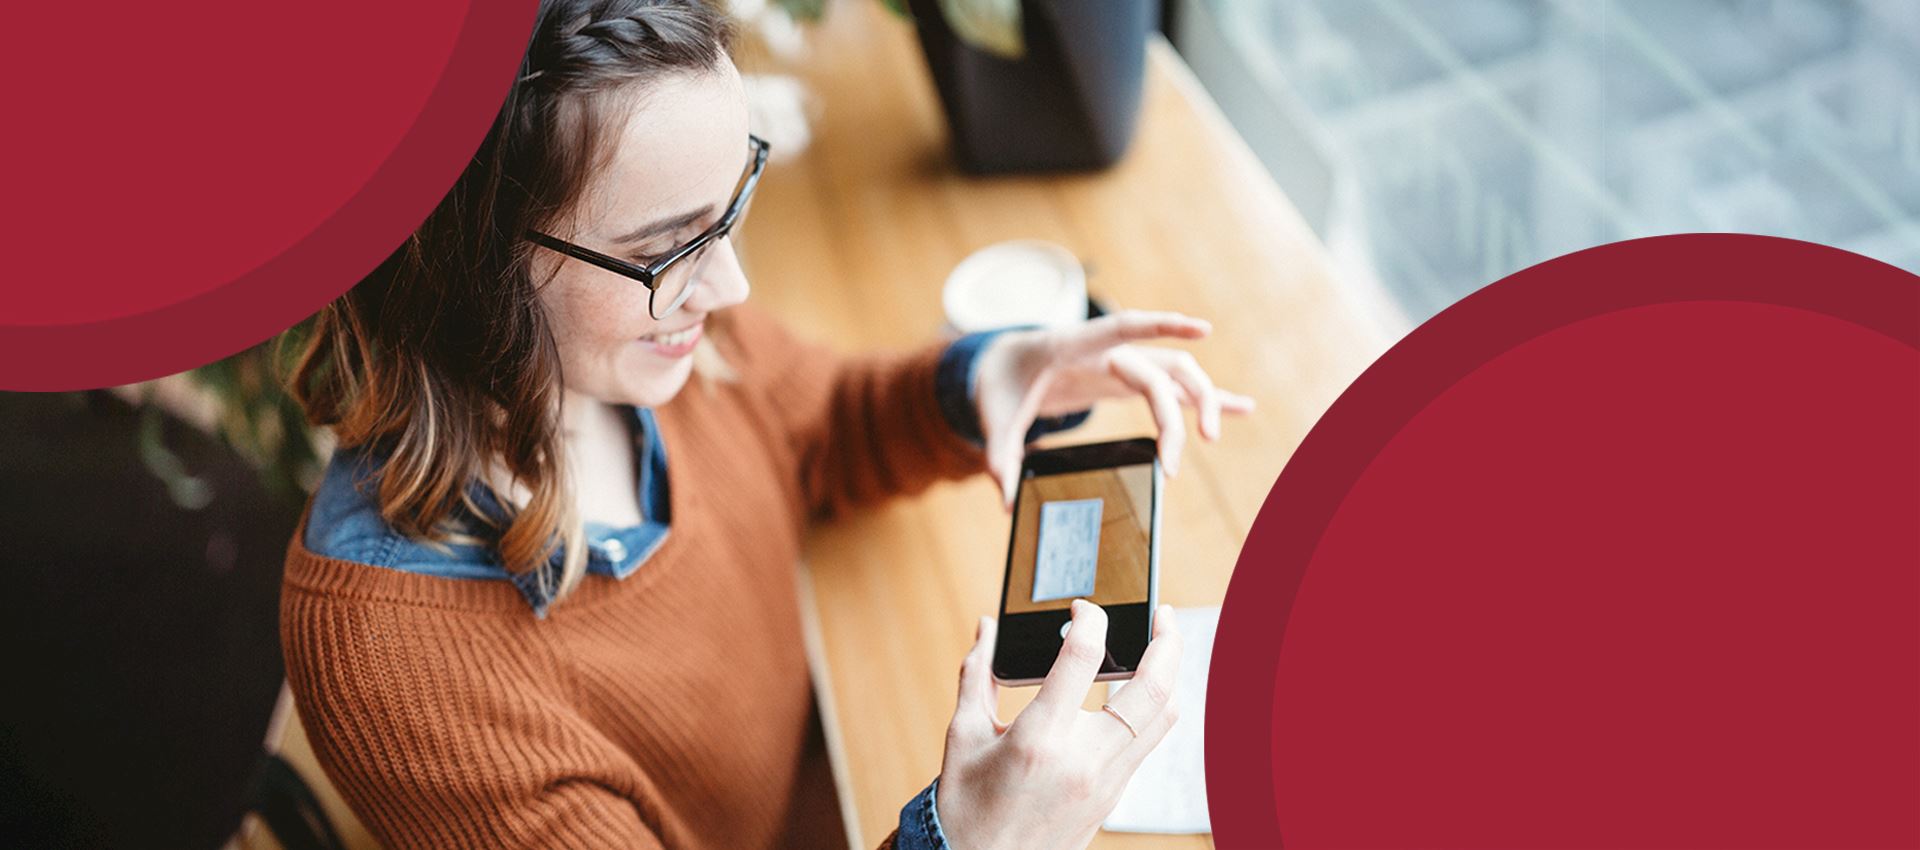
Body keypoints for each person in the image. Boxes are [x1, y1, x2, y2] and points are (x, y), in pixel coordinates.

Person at [280, 1, 1254, 847]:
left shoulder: (645, 343)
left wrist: (985, 377)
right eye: (670, 247)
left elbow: (818, 428)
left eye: (732, 201)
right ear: (461, 260)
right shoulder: (399, 669)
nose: (733, 286)